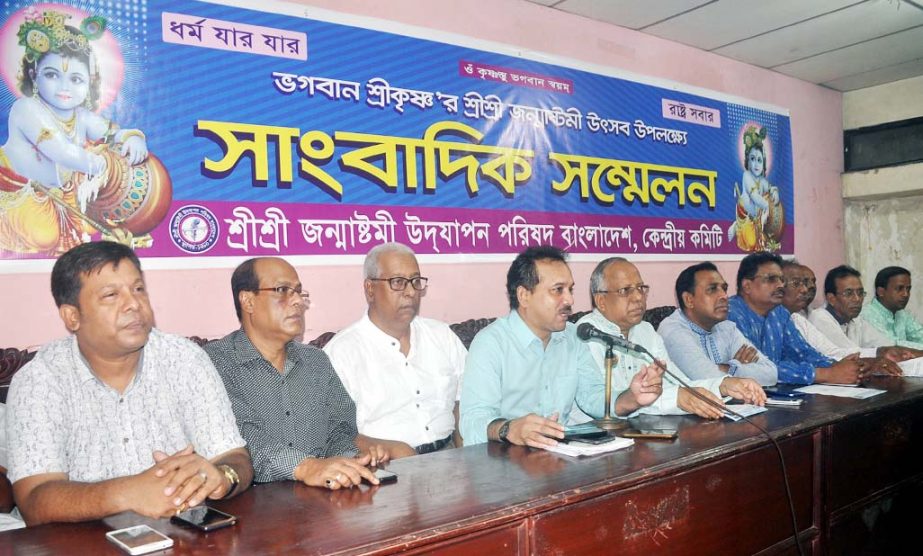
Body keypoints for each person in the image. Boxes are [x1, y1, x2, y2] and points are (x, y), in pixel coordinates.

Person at [6, 241, 252, 526]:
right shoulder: (39, 381)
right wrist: (128, 493)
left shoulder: (184, 359)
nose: (134, 304)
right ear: (72, 317)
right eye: (111, 295)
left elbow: (235, 456)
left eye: (138, 289)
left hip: (178, 538)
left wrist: (222, 476)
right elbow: (34, 500)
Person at [205, 257, 393, 491]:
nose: (297, 301)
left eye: (298, 292)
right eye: (283, 291)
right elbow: (240, 439)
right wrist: (306, 467)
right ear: (248, 301)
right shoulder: (214, 362)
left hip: (322, 499)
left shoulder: (316, 361)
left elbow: (341, 429)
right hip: (253, 504)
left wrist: (350, 461)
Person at [459, 246, 664, 447]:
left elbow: (591, 396)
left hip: (558, 456)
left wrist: (632, 398)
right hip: (505, 460)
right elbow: (472, 422)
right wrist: (509, 429)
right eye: (558, 290)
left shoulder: (573, 336)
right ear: (524, 296)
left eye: (570, 289)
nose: (570, 300)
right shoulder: (490, 343)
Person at [1, 8, 150, 255]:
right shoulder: (26, 108)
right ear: (33, 75)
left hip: (60, 195)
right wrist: (108, 166)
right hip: (17, 192)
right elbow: (63, 152)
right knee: (45, 235)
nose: (64, 87)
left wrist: (132, 137)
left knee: (88, 227)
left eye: (76, 79)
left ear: (89, 85)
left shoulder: (80, 116)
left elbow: (111, 132)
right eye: (52, 75)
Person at [577, 258, 765, 423]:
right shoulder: (586, 333)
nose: (638, 297)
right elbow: (594, 401)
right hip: (593, 440)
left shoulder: (645, 330)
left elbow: (678, 383)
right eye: (625, 290)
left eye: (641, 289)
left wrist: (724, 385)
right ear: (601, 301)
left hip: (643, 433)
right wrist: (676, 397)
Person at [325, 243, 465, 455]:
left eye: (415, 281)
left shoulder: (442, 336)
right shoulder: (341, 353)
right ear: (370, 289)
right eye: (398, 282)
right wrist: (389, 450)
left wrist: (468, 455)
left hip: (450, 456)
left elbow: (465, 401)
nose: (410, 292)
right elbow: (332, 433)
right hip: (386, 467)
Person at [727, 252, 862, 385]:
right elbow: (758, 369)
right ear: (747, 286)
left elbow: (802, 352)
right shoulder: (731, 315)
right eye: (772, 279)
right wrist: (824, 374)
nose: (780, 285)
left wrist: (839, 366)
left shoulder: (779, 313)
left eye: (781, 279)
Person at [660, 261, 778, 387]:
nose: (724, 296)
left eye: (724, 288)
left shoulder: (726, 328)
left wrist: (728, 368)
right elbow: (710, 380)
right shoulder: (673, 332)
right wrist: (740, 369)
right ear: (689, 300)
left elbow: (771, 374)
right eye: (712, 289)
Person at [805, 265, 910, 374]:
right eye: (849, 293)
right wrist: (880, 353)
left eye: (860, 293)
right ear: (831, 298)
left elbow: (885, 344)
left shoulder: (855, 320)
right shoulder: (820, 318)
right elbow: (847, 354)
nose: (857, 299)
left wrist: (905, 352)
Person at [728, 125, 782, 252]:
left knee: (764, 243)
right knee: (751, 244)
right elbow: (755, 197)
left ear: (763, 163)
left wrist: (775, 191)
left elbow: (770, 189)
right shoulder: (746, 176)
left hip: (757, 217)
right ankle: (736, 226)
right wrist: (767, 207)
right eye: (752, 159)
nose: (756, 164)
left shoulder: (762, 180)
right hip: (745, 214)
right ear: (747, 161)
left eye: (759, 160)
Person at [860, 266, 923, 350]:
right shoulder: (867, 315)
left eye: (908, 289)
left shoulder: (902, 313)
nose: (905, 294)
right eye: (899, 289)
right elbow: (891, 345)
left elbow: (919, 335)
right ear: (881, 292)